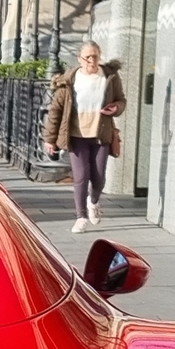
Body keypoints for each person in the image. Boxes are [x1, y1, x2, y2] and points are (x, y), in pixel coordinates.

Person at [40, 41, 128, 233]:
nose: (92, 60)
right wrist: (49, 139)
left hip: (100, 134)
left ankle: (93, 201)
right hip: (76, 135)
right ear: (79, 59)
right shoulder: (69, 80)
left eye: (95, 56)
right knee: (80, 177)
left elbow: (121, 100)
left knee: (98, 178)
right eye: (87, 57)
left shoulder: (110, 77)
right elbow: (56, 110)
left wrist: (116, 108)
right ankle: (80, 217)